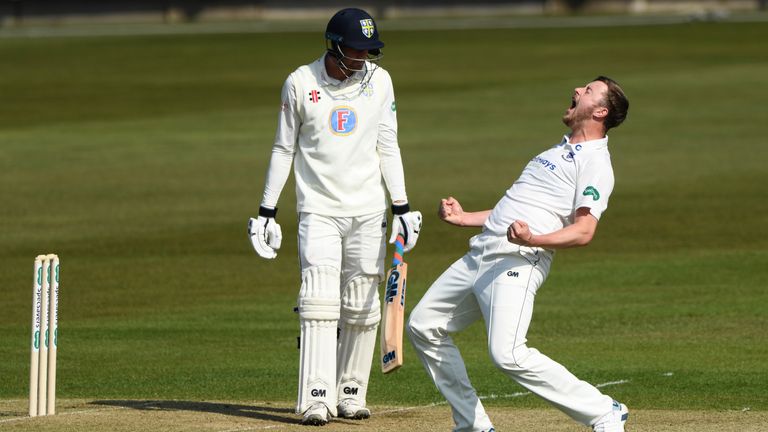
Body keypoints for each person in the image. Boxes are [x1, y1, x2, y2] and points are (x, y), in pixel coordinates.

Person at [406, 77, 630, 432]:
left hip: (518, 260)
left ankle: (604, 411)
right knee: (424, 325)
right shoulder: (554, 152)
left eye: (587, 91)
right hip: (481, 253)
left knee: (508, 354)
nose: (576, 90)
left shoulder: (596, 163)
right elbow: (513, 208)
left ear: (601, 111)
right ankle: (472, 425)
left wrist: (533, 239)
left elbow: (584, 231)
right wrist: (465, 219)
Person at [247, 8, 422, 426]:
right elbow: (282, 149)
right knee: (319, 301)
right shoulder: (301, 83)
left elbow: (388, 145)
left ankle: (350, 393)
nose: (363, 58)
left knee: (363, 305)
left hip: (368, 209)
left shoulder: (380, 81)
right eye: (356, 50)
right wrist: (266, 211)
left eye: (369, 51)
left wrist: (401, 206)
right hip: (319, 210)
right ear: (335, 45)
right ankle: (315, 398)